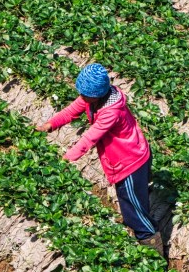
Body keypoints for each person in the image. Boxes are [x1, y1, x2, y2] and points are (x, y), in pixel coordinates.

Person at [37, 63, 164, 256]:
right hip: (124, 159)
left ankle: (154, 254)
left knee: (135, 213)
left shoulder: (111, 111)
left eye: (84, 93)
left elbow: (90, 138)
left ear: (96, 94)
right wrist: (50, 124)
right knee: (133, 205)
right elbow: (71, 110)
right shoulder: (94, 99)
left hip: (131, 163)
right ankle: (144, 241)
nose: (81, 97)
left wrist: (65, 159)